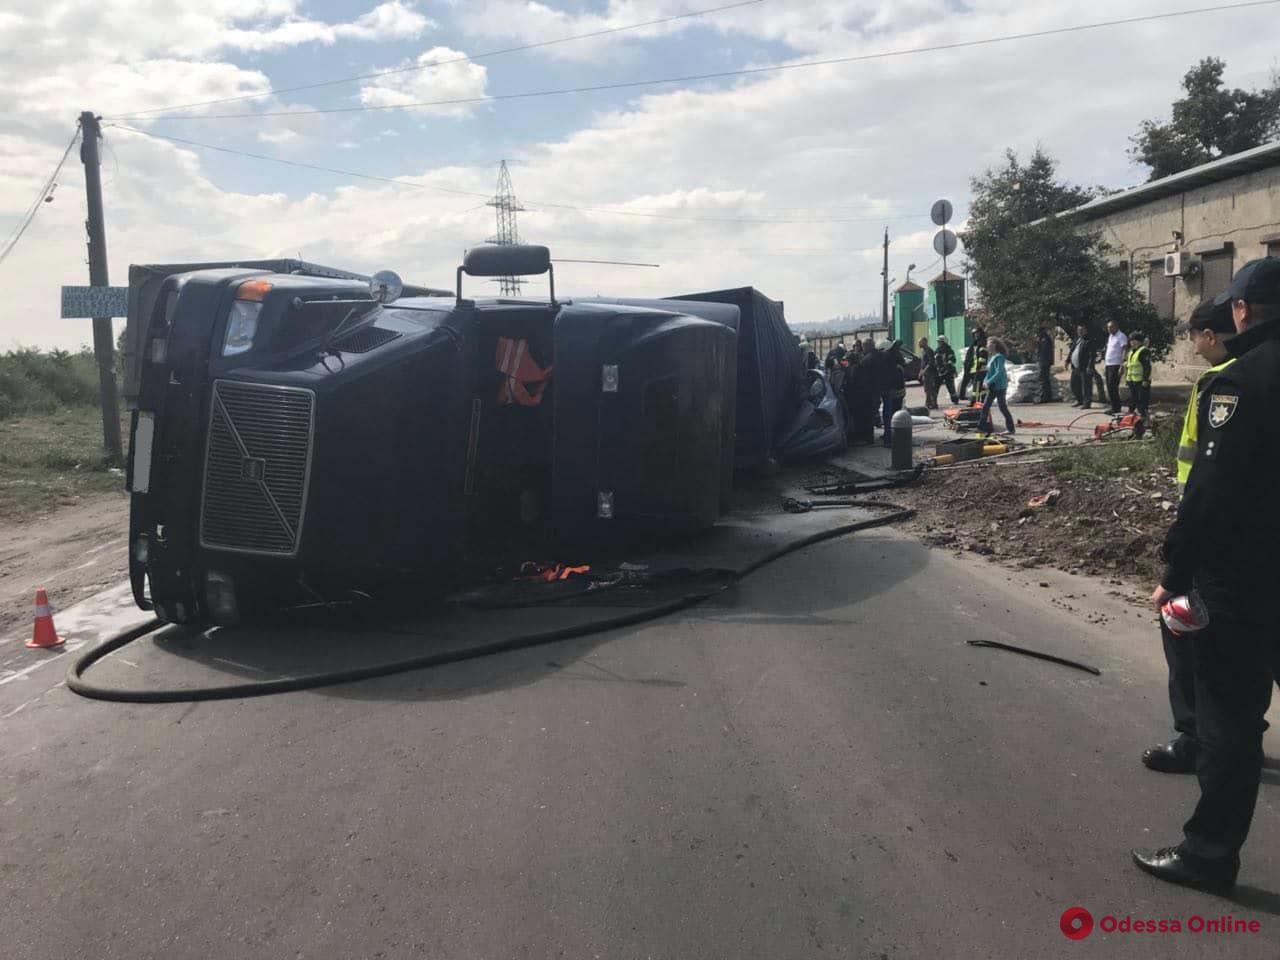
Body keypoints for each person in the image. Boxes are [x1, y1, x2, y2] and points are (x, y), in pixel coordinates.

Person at [1133, 257, 1280, 895]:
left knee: (1228, 718)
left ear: (1241, 311)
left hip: (1244, 576)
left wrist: (1175, 570)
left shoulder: (1241, 381)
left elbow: (1209, 493)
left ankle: (1209, 854)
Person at [1142, 298, 1239, 780]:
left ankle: (1196, 738)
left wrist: (1175, 571)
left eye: (1194, 336)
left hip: (1213, 539)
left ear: (1213, 334)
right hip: (1253, 540)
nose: (1193, 345)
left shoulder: (1225, 382)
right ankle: (1234, 735)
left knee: (1183, 627)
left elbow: (1208, 480)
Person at [867, 339, 906, 448]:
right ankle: (888, 436)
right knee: (888, 413)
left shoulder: (888, 358)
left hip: (891, 390)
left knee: (889, 414)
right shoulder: (890, 358)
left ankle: (889, 437)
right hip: (889, 390)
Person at [978, 337, 1016, 434]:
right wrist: (985, 380)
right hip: (992, 386)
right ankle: (982, 427)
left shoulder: (999, 357)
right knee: (985, 406)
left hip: (999, 386)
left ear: (994, 345)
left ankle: (1011, 429)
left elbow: (999, 372)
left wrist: (989, 381)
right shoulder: (992, 357)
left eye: (989, 344)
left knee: (1002, 408)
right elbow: (990, 372)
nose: (987, 346)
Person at [842, 348, 878, 445]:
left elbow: (851, 384)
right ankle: (868, 438)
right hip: (865, 397)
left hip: (859, 398)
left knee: (861, 419)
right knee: (866, 418)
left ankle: (863, 438)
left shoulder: (854, 369)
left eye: (847, 360)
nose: (846, 362)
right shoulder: (859, 367)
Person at [1067, 323, 1096, 408]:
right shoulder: (1077, 340)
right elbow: (1072, 351)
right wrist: (1067, 360)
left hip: (1084, 367)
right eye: (1079, 330)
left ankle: (1086, 403)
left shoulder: (1089, 341)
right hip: (1075, 367)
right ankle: (1079, 400)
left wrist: (1090, 366)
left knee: (1086, 386)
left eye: (1082, 330)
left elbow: (1092, 355)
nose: (1080, 332)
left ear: (1085, 331)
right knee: (1074, 385)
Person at [1124, 331, 1152, 418]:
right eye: (1130, 340)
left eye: (1132, 340)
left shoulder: (1144, 351)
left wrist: (1145, 379)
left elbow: (1147, 367)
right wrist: (1127, 378)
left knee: (1142, 401)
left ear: (1137, 341)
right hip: (1132, 380)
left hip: (1141, 381)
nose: (1130, 342)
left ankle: (1144, 418)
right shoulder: (1131, 351)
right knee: (1133, 400)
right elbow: (1129, 365)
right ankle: (1131, 415)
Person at [1103, 320, 1129, 414]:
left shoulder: (1121, 336)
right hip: (1109, 364)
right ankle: (1114, 406)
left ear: (1116, 326)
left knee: (1113, 386)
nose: (1109, 329)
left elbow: (1124, 350)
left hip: (1116, 365)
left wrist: (1122, 365)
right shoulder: (1111, 336)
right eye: (1108, 327)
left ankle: (1116, 407)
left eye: (1111, 327)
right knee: (1109, 387)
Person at [958, 326, 986, 400]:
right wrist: (967, 365)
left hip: (979, 369)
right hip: (972, 368)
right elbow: (970, 356)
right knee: (976, 385)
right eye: (975, 334)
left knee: (977, 386)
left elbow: (983, 356)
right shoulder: (974, 344)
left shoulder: (983, 343)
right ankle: (981, 400)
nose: (976, 335)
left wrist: (979, 366)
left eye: (978, 333)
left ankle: (976, 401)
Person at [933, 335, 959, 405]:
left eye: (940, 342)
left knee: (951, 387)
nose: (939, 343)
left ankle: (955, 400)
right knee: (935, 387)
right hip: (939, 371)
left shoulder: (949, 350)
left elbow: (952, 360)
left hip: (948, 371)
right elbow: (935, 360)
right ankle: (933, 401)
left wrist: (947, 366)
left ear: (944, 342)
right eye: (938, 342)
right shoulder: (937, 350)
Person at [1035, 321, 1056, 403]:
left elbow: (1043, 352)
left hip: (1044, 362)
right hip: (1044, 361)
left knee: (1042, 379)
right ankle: (1047, 396)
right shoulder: (1044, 338)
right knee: (1045, 379)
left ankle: (1043, 396)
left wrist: (1041, 361)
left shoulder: (1044, 339)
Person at [918, 337, 940, 409]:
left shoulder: (929, 351)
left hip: (930, 373)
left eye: (920, 342)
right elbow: (923, 363)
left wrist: (924, 370)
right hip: (925, 374)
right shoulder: (923, 351)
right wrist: (921, 371)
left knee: (930, 389)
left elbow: (931, 363)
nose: (918, 344)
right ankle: (929, 403)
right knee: (927, 389)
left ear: (925, 342)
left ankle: (932, 403)